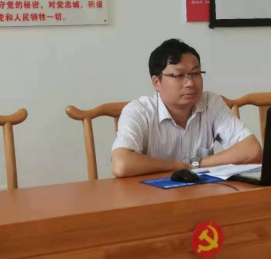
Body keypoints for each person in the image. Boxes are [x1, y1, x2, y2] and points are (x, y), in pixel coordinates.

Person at [111, 38, 262, 177]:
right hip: (151, 193)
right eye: (179, 75)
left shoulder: (211, 103)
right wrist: (178, 166)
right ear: (157, 82)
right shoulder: (138, 111)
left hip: (201, 192)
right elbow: (121, 164)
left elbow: (252, 150)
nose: (190, 83)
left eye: (195, 73)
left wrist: (196, 164)